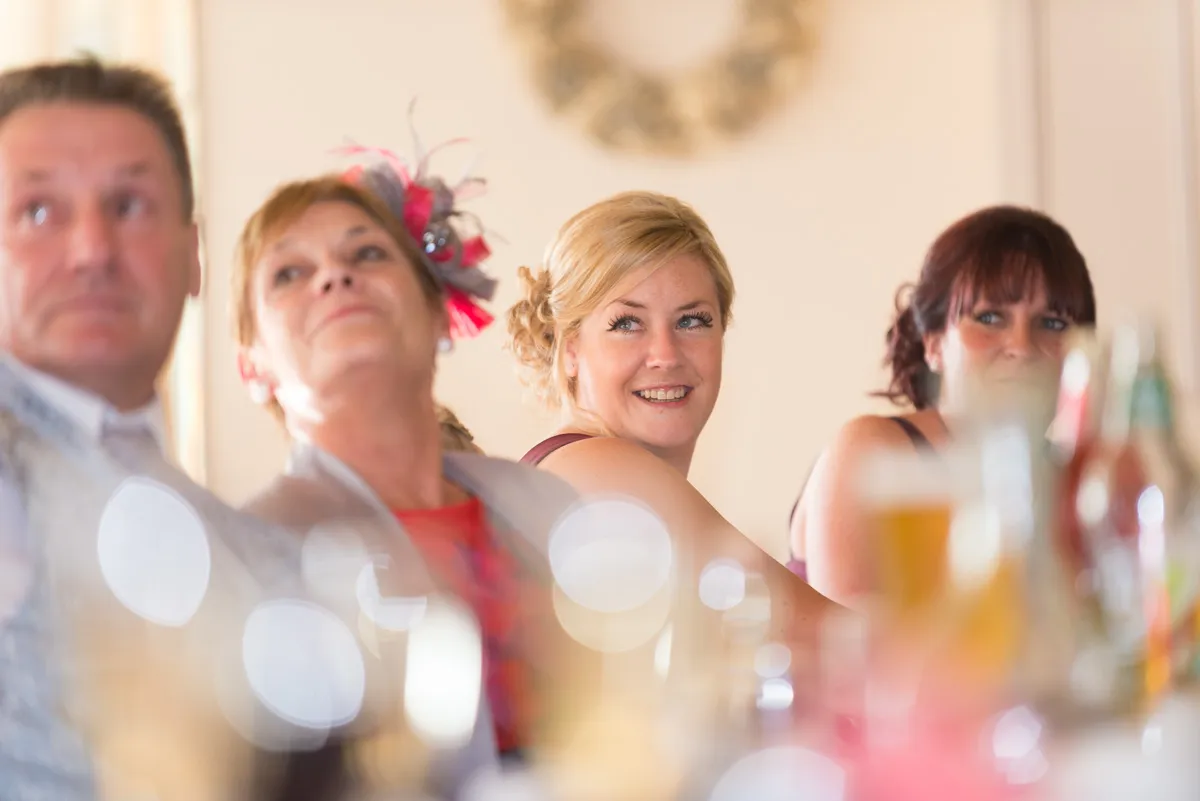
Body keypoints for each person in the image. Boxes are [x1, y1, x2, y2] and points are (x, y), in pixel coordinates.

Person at [0, 56, 337, 801]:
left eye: (128, 206)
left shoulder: (261, 557)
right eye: (39, 212)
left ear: (193, 256)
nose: (92, 251)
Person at [230, 151, 596, 798]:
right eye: (290, 272)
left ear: (436, 312)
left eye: (367, 253)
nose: (335, 277)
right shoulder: (244, 560)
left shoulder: (550, 506)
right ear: (252, 364)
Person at [507, 190, 837, 653]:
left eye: (692, 321)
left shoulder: (574, 466)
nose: (665, 354)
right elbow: (842, 647)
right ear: (570, 348)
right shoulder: (604, 472)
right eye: (627, 323)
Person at [788, 205, 1097, 608]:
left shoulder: (1078, 477)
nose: (1022, 347)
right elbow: (855, 637)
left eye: (1052, 323)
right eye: (990, 318)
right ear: (933, 345)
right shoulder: (874, 448)